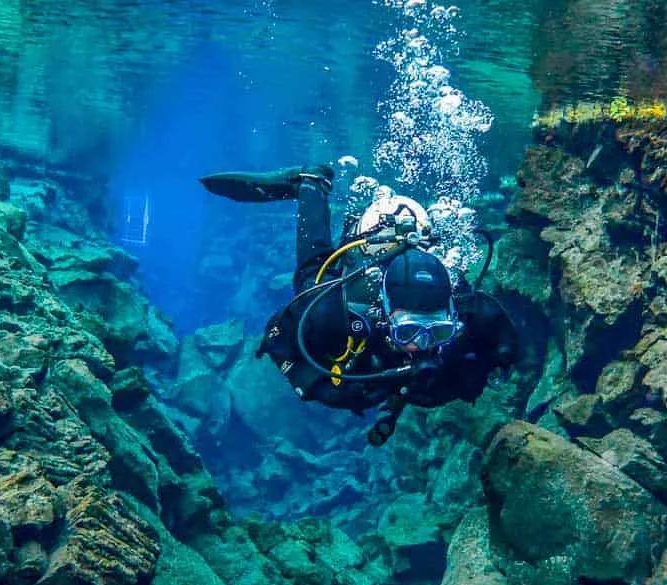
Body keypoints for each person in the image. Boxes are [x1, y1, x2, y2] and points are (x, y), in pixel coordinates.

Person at [199, 164, 520, 446]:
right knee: (312, 275)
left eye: (438, 331)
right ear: (384, 317)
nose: (423, 345)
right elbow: (277, 334)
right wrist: (312, 384)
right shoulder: (336, 312)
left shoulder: (463, 303)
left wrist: (500, 361)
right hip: (365, 252)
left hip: (411, 244)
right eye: (408, 331)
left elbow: (497, 325)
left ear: (452, 318)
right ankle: (310, 184)